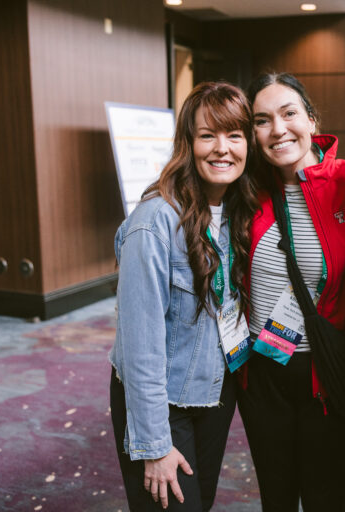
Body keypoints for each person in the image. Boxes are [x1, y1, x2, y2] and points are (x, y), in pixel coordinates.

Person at [109, 82, 259, 511]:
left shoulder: (235, 210)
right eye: (207, 135)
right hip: (162, 400)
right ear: (187, 143)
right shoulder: (154, 222)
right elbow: (139, 347)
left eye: (234, 135)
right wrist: (155, 445)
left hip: (212, 393)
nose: (222, 148)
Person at [236, 72, 345, 511]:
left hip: (328, 373)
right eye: (262, 120)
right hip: (261, 373)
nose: (278, 129)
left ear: (312, 119)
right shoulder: (244, 191)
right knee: (275, 498)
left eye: (289, 113)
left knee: (325, 498)